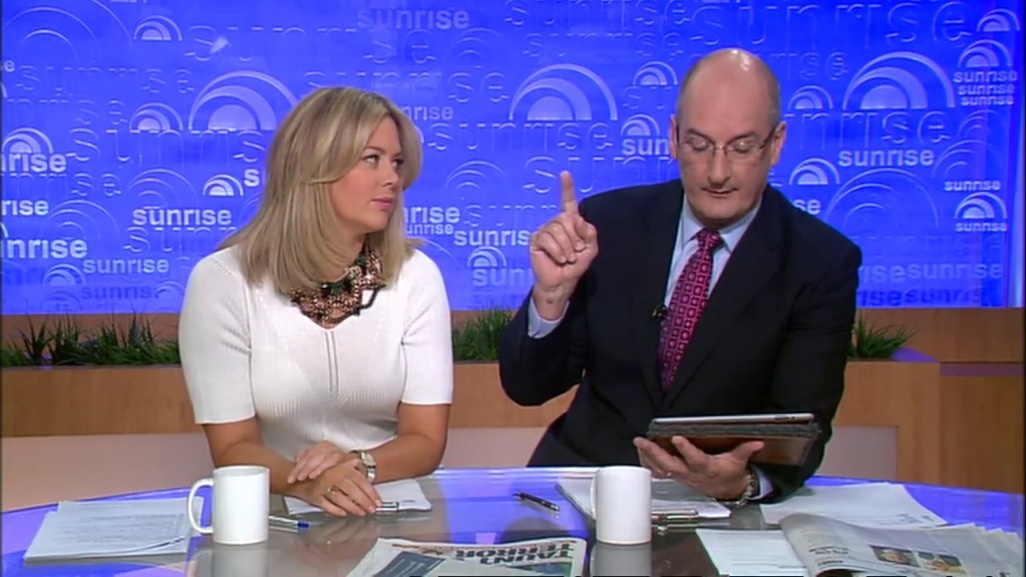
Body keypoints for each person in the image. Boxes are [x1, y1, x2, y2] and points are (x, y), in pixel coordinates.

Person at [497, 48, 862, 505]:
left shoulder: (819, 261)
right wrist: (552, 297)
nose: (718, 172)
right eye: (699, 145)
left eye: (741, 148)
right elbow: (527, 387)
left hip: (715, 505)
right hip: (586, 486)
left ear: (776, 145)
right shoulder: (609, 225)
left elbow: (801, 428)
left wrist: (743, 483)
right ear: (672, 138)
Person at [179, 86, 453, 518]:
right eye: (372, 159)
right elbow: (232, 447)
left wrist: (357, 466)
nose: (393, 179)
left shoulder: (416, 277)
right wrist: (309, 482)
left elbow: (426, 439)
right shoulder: (222, 281)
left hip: (389, 505)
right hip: (274, 516)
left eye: (397, 162)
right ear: (315, 166)